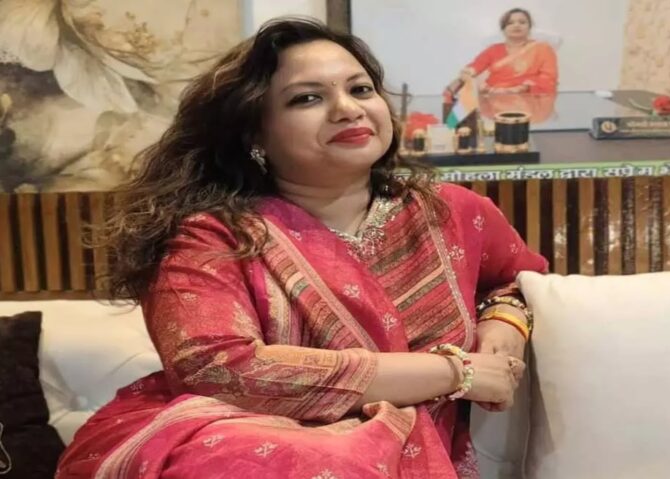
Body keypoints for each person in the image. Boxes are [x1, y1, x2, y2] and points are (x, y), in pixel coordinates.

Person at [57, 18, 548, 479]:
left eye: (361, 89)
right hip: (245, 442)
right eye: (308, 98)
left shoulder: (451, 212)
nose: (348, 109)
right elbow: (218, 370)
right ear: (254, 132)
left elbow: (516, 279)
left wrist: (505, 321)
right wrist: (454, 371)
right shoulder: (213, 237)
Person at [453, 8, 558, 95]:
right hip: (494, 96)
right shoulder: (493, 49)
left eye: (522, 22)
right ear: (503, 29)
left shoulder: (543, 48)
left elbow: (548, 78)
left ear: (529, 27)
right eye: (510, 23)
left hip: (530, 98)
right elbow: (476, 66)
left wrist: (520, 89)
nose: (516, 25)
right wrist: (467, 73)